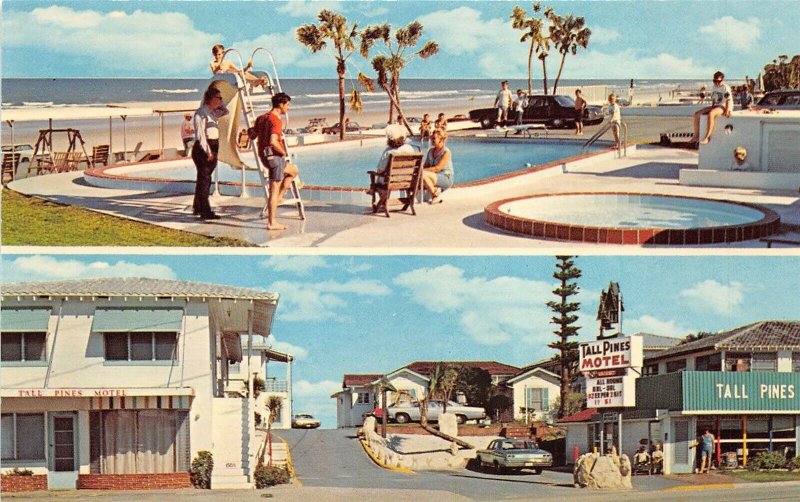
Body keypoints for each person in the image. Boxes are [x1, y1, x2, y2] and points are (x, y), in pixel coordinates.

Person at [253, 92, 299, 231]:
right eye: (288, 105)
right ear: (281, 104)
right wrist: (283, 152)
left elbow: (252, 134)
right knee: (273, 190)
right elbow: (273, 141)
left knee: (293, 171)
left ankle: (280, 196)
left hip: (266, 157)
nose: (288, 108)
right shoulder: (276, 120)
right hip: (275, 158)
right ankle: (272, 222)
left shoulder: (261, 118)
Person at [191, 86, 229, 220]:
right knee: (205, 180)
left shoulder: (213, 112)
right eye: (217, 98)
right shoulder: (201, 113)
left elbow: (225, 111)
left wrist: (221, 101)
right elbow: (200, 135)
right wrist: (208, 151)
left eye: (220, 98)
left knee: (203, 179)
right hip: (204, 147)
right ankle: (205, 211)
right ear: (209, 99)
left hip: (214, 145)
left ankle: (198, 207)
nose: (219, 100)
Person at [691, 71, 733, 145]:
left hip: (724, 106)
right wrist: (712, 106)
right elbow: (714, 99)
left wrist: (727, 110)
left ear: (722, 80)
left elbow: (728, 100)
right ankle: (696, 136)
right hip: (716, 105)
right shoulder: (714, 87)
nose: (716, 83)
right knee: (697, 114)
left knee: (711, 114)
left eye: (718, 81)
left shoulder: (725, 88)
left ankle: (707, 137)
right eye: (715, 81)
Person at [422, 129, 454, 204]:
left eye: (434, 138)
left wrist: (422, 171)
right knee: (422, 175)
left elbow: (437, 168)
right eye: (432, 138)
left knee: (423, 174)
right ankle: (436, 192)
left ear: (441, 139)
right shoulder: (430, 151)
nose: (432, 140)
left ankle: (434, 196)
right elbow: (425, 166)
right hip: (434, 176)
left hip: (446, 177)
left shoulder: (446, 152)